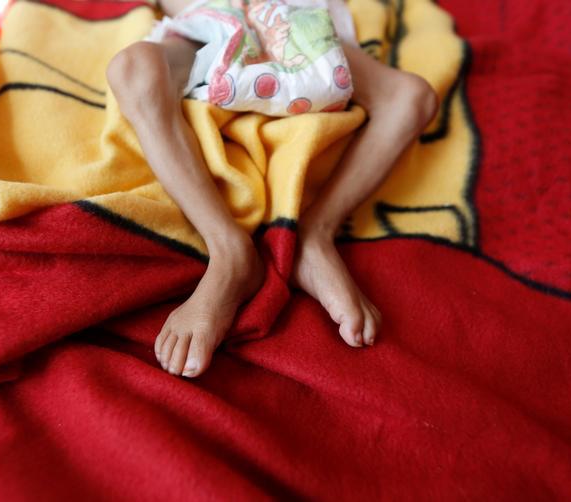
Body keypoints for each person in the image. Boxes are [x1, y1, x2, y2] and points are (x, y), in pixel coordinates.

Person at [106, 0, 438, 378]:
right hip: (206, 27)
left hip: (293, 24)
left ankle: (315, 234)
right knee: (132, 67)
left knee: (412, 97)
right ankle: (229, 251)